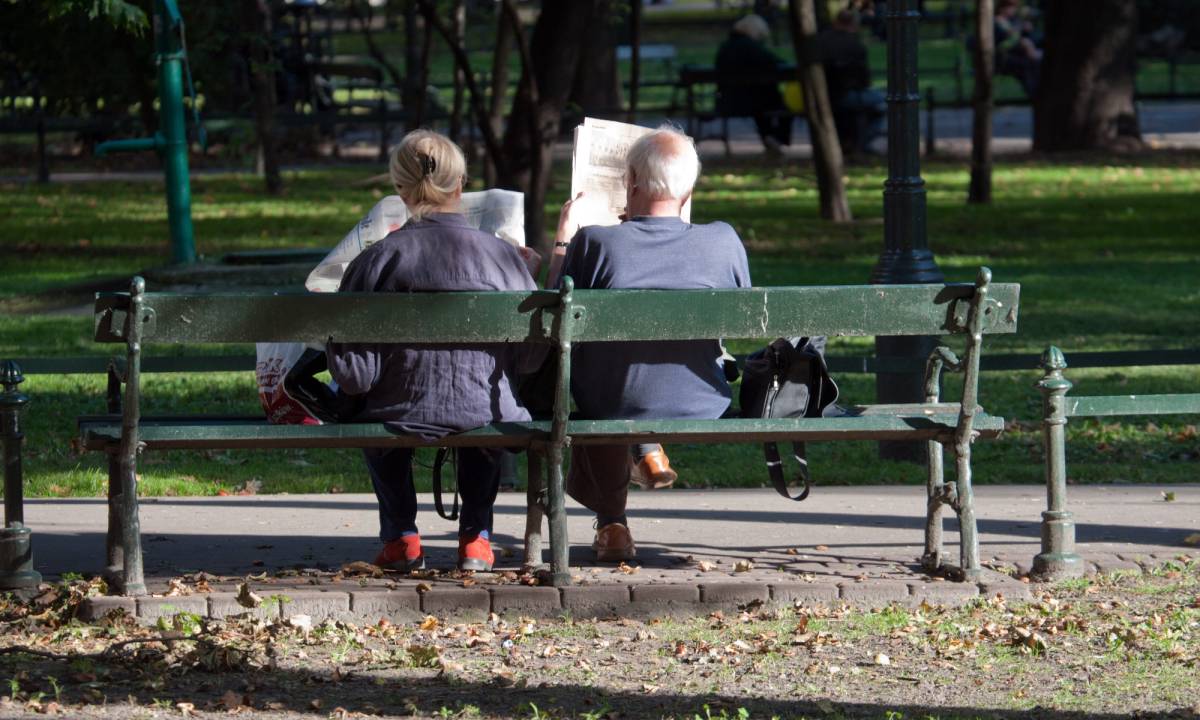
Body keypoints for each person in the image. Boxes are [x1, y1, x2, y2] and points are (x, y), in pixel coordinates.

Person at [327, 130, 541, 573]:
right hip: (486, 408)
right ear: (460, 184)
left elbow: (355, 377)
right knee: (484, 404)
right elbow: (528, 359)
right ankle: (477, 539)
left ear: (399, 190)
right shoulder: (504, 259)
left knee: (371, 407)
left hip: (396, 409)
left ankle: (401, 536)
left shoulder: (377, 259)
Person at [548, 126, 751, 562]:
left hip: (614, 398)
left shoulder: (597, 242)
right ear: (689, 187)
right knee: (623, 380)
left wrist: (564, 238)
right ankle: (646, 452)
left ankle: (613, 523)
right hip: (699, 399)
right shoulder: (722, 240)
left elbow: (554, 319)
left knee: (604, 389)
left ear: (632, 182)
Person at [715, 14, 792, 156]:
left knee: (761, 101)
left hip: (727, 100)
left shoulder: (725, 47)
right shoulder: (753, 48)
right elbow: (776, 63)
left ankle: (769, 137)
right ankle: (776, 138)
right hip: (754, 101)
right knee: (782, 105)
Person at [818, 9, 886, 155]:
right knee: (885, 102)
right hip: (844, 95)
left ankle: (851, 141)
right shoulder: (855, 45)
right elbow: (864, 80)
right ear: (854, 24)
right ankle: (862, 142)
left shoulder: (821, 40)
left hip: (822, 94)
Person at [994, 0, 1041, 97]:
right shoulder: (996, 23)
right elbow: (1003, 45)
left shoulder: (1011, 21)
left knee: (1033, 62)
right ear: (1003, 8)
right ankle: (1034, 93)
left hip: (1019, 55)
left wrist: (1026, 31)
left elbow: (1025, 37)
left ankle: (1039, 90)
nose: (1013, 10)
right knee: (1026, 64)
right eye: (1012, 7)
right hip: (1002, 59)